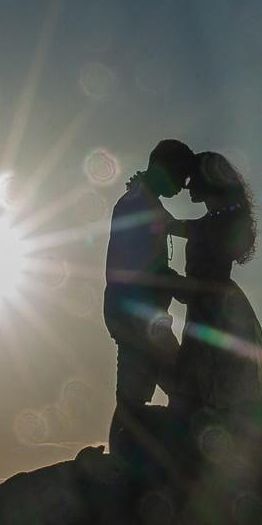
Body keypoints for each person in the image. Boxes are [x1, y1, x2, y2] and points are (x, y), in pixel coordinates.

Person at [167, 151, 262, 421]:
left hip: (214, 309)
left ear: (207, 180)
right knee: (205, 386)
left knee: (205, 385)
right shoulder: (219, 219)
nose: (188, 186)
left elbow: (177, 228)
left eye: (193, 179)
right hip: (213, 305)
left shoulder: (217, 223)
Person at [103, 139, 192, 459]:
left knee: (143, 391)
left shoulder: (142, 201)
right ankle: (123, 464)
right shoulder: (138, 203)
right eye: (182, 176)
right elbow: (137, 267)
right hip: (136, 315)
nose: (184, 186)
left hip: (139, 314)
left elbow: (172, 227)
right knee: (154, 391)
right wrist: (183, 286)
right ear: (165, 169)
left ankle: (126, 460)